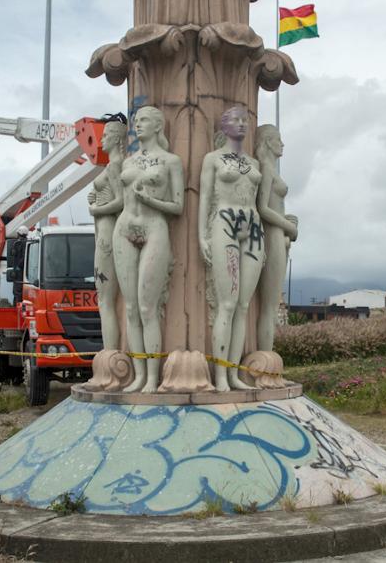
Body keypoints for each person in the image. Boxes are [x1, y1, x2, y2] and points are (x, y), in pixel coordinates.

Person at [112, 106, 184, 393]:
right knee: (130, 308)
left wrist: (151, 200)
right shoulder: (129, 160)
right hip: (124, 228)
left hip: (155, 227)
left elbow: (178, 206)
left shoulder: (171, 161)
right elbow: (119, 199)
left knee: (147, 307)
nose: (137, 125)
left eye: (143, 121)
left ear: (158, 126)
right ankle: (139, 374)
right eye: (136, 121)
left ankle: (152, 377)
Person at [198, 106, 263, 392]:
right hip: (224, 222)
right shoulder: (212, 159)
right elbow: (204, 198)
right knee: (227, 303)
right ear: (224, 126)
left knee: (243, 306)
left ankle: (234, 373)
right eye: (235, 120)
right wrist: (202, 235)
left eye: (244, 120)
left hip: (253, 226)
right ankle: (221, 376)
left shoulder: (254, 163)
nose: (242, 124)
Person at [254, 124, 298, 352]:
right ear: (268, 142)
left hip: (277, 233)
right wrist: (288, 226)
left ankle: (266, 355)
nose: (282, 143)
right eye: (278, 139)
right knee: (269, 307)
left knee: (270, 306)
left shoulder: (269, 168)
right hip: (272, 234)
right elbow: (262, 208)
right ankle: (265, 357)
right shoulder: (266, 168)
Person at [88, 119, 127, 350]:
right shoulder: (113, 165)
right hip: (104, 226)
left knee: (106, 300)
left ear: (115, 139)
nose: (101, 139)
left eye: (105, 135)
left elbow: (120, 201)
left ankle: (110, 352)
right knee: (106, 300)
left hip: (108, 229)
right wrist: (95, 201)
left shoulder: (115, 166)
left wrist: (96, 208)